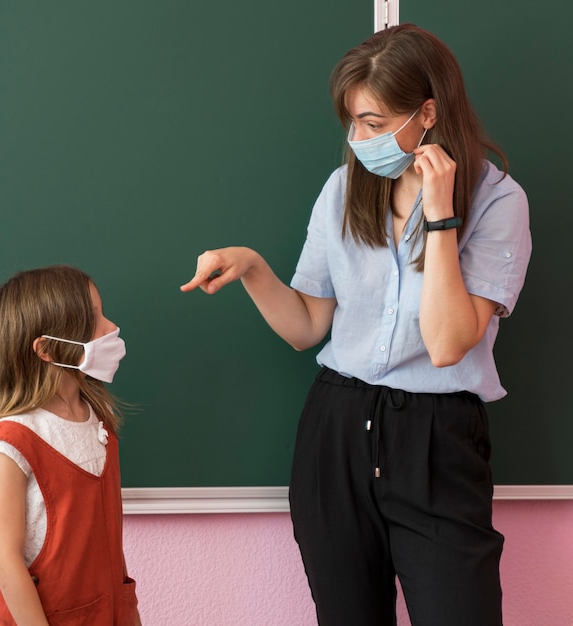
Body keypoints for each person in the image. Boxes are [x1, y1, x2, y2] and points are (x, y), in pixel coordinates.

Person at [181, 23, 531, 626]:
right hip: (336, 427)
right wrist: (253, 268)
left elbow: (448, 344)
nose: (359, 138)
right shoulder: (344, 190)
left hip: (436, 438)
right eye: (352, 122)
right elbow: (307, 327)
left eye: (373, 123)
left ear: (427, 113)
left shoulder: (500, 202)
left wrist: (441, 216)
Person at [0, 265, 141, 626]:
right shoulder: (14, 440)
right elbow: (6, 561)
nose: (111, 328)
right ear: (47, 349)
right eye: (95, 317)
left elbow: (109, 544)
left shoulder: (98, 420)